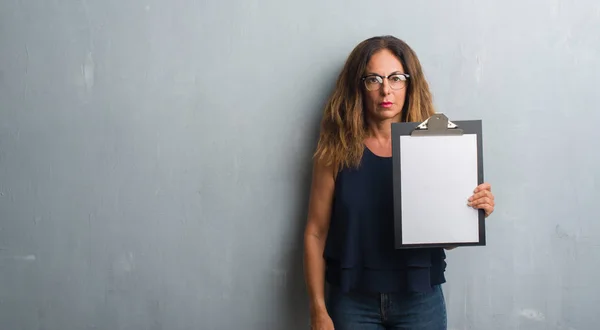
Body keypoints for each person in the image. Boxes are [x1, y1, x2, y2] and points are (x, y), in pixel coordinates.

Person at [302, 35, 495, 330]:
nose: (385, 90)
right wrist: (318, 309)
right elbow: (315, 233)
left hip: (419, 300)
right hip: (352, 302)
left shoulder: (437, 146)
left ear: (410, 83)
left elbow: (446, 237)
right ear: (359, 85)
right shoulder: (335, 151)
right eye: (373, 79)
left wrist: (472, 211)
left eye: (395, 78)